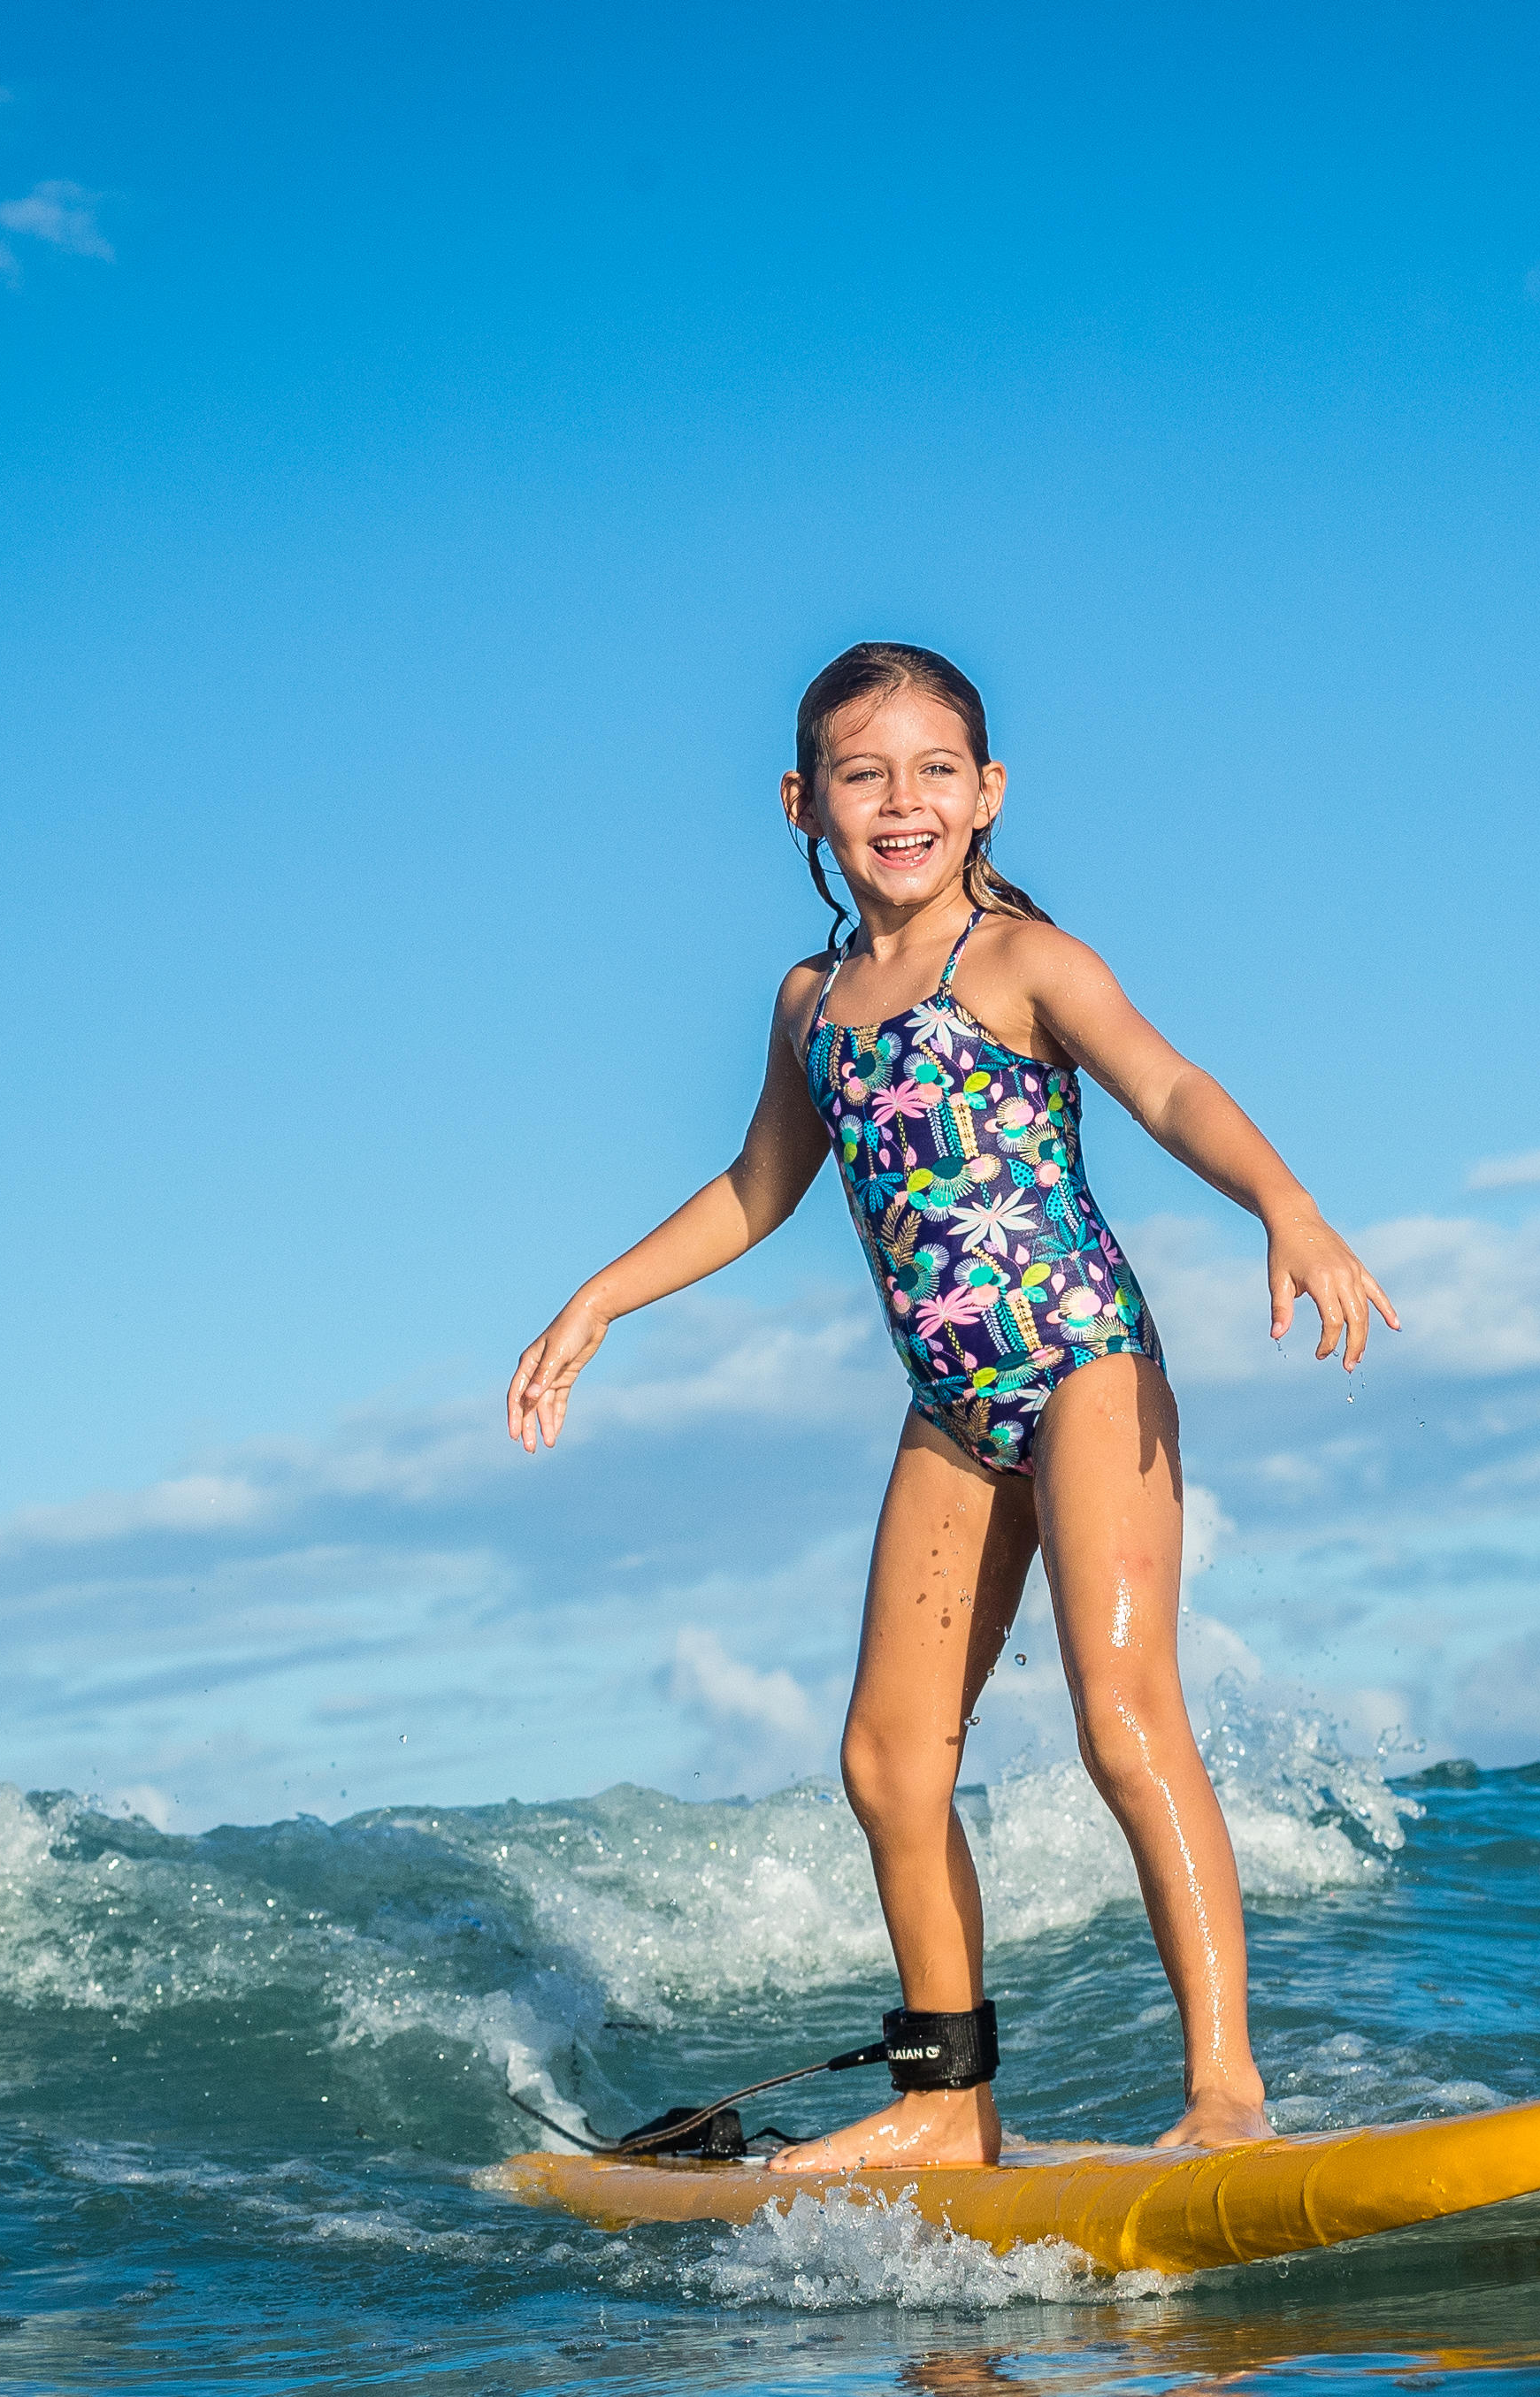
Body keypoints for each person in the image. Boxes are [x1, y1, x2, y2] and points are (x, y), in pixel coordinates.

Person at [505, 643, 1397, 2171]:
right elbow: (757, 1187)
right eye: (864, 774)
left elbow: (1169, 1085)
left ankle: (1229, 2089)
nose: (900, 801)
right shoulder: (813, 1004)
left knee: (1123, 1718)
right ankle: (948, 2102)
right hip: (954, 1406)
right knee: (887, 1759)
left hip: (1087, 1367)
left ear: (988, 796)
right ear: (804, 804)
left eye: (934, 771)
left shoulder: (1022, 962)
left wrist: (1287, 1206)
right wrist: (600, 1295)